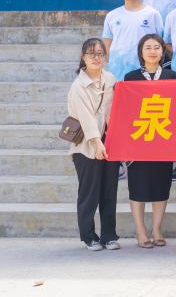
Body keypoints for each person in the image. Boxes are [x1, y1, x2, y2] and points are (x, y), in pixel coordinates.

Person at [123, 34, 176, 249]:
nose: (152, 51)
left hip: (163, 139)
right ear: (141, 52)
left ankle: (157, 229)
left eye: (156, 47)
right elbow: (126, 109)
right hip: (139, 139)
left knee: (161, 185)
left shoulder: (171, 76)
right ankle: (141, 231)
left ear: (163, 51)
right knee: (138, 186)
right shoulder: (131, 77)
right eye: (148, 47)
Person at [68, 38, 119, 251]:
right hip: (86, 146)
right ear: (83, 57)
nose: (96, 58)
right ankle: (89, 236)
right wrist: (97, 143)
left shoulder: (110, 78)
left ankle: (109, 235)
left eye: (100, 54)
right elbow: (87, 119)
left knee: (109, 191)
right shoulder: (78, 86)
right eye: (91, 54)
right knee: (89, 193)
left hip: (110, 142)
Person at [102, 0, 164, 81]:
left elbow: (159, 43)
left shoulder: (152, 14)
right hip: (118, 70)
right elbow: (107, 45)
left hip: (144, 70)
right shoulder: (112, 15)